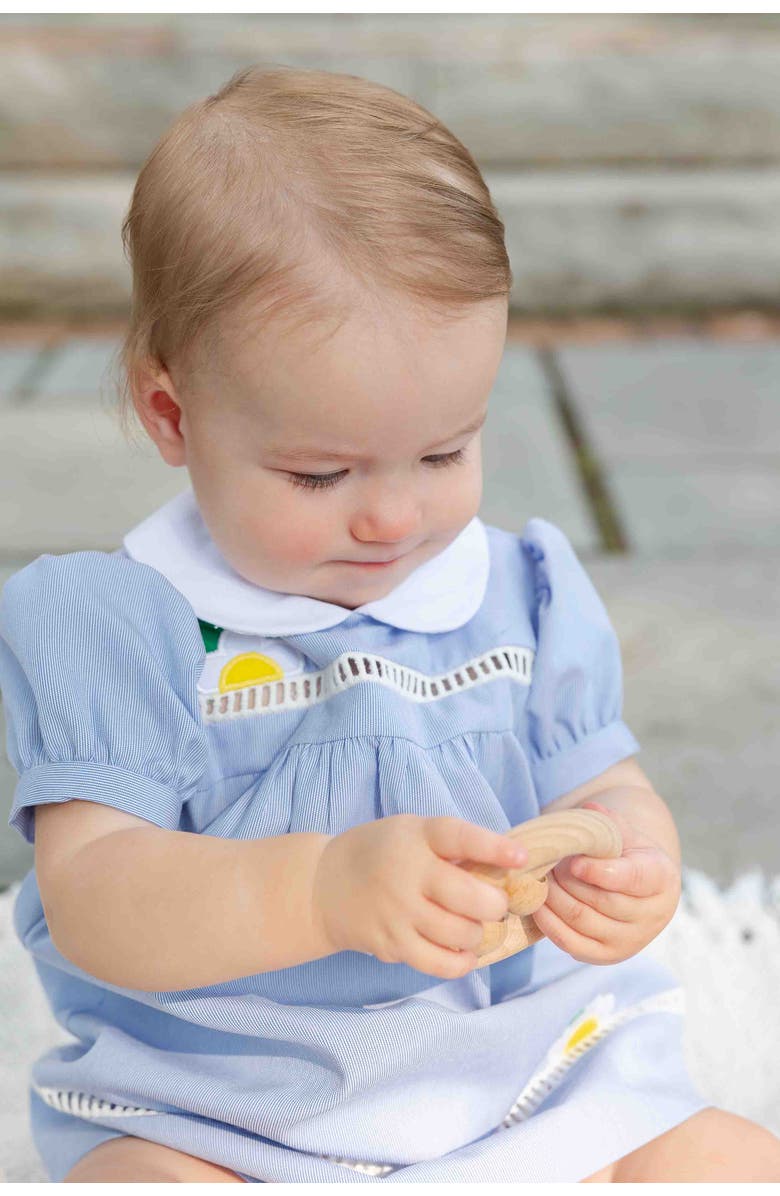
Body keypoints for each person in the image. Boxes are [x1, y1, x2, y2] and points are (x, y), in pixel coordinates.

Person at [1, 66, 778, 1185]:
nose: (393, 514)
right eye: (320, 472)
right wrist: (314, 889)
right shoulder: (122, 623)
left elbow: (601, 779)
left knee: (725, 1156)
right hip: (227, 1103)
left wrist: (628, 855)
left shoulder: (521, 591)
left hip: (518, 1073)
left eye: (444, 450)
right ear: (174, 413)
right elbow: (98, 899)